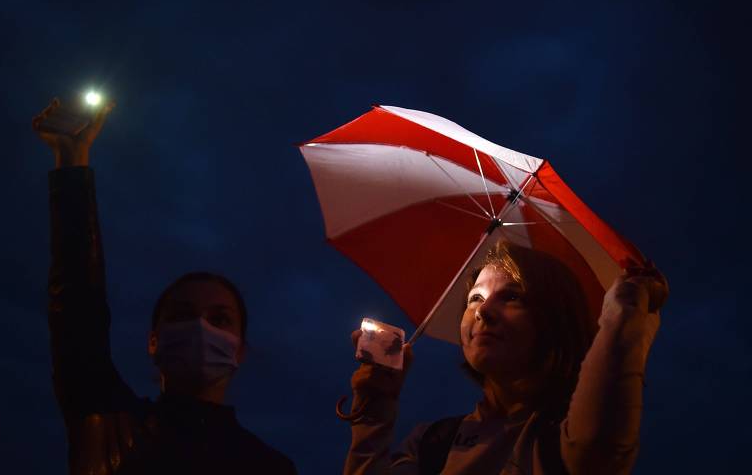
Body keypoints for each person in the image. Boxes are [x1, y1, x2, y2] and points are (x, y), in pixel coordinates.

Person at [33, 98, 297, 474]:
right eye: (183, 315)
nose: (200, 327)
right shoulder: (105, 419)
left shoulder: (271, 468)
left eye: (219, 319)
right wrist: (72, 159)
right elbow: (77, 308)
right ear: (153, 341)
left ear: (241, 351)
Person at [342, 240, 668, 474]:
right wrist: (374, 412)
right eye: (475, 297)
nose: (482, 310)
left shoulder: (561, 440)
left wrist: (627, 311)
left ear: (555, 321)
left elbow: (595, 446)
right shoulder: (432, 441)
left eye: (511, 296)